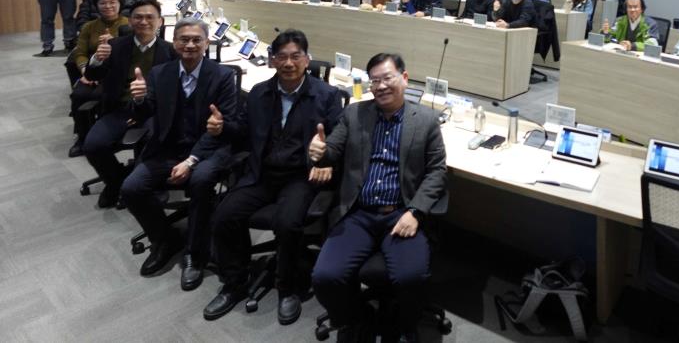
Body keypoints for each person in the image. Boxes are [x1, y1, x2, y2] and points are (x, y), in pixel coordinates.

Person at [203, 30, 344, 325]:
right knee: (224, 215)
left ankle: (287, 288)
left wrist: (327, 156)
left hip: (300, 177)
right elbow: (242, 130)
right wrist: (223, 128)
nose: (289, 63)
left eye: (296, 56)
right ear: (272, 61)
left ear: (307, 60)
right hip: (262, 173)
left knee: (288, 223)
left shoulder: (327, 95)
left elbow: (338, 140)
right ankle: (235, 282)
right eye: (282, 57)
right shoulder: (259, 93)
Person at [310, 53, 447, 342]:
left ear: (404, 79)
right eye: (374, 81)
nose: (381, 86)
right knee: (325, 277)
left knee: (410, 278)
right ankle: (358, 318)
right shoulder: (354, 114)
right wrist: (320, 153)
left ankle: (405, 325)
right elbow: (332, 150)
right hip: (358, 213)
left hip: (401, 213)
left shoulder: (426, 120)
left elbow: (437, 172)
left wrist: (416, 212)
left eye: (387, 78)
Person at [120, 17, 236, 289]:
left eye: (197, 40)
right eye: (184, 39)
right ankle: (164, 239)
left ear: (207, 43)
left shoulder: (222, 76)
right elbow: (144, 113)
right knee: (131, 188)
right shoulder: (160, 73)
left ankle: (195, 254)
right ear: (174, 43)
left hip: (207, 151)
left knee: (201, 181)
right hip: (168, 149)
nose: (190, 45)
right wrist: (139, 99)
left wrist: (191, 161)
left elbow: (225, 124)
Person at [82, 0, 176, 208]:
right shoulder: (115, 46)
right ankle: (115, 182)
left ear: (160, 21)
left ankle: (147, 185)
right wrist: (97, 59)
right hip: (120, 110)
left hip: (154, 112)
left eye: (150, 17)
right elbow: (92, 75)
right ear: (130, 21)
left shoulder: (171, 51)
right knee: (93, 146)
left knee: (155, 143)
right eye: (138, 17)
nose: (144, 21)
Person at [68, 0, 129, 157]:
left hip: (116, 74)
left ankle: (105, 134)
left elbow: (131, 53)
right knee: (79, 95)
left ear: (120, 4)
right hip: (92, 71)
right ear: (96, 6)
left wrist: (115, 42)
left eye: (112, 2)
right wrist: (85, 71)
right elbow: (80, 53)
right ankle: (82, 137)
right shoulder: (89, 26)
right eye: (103, 3)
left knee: (102, 96)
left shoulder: (128, 25)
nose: (108, 6)